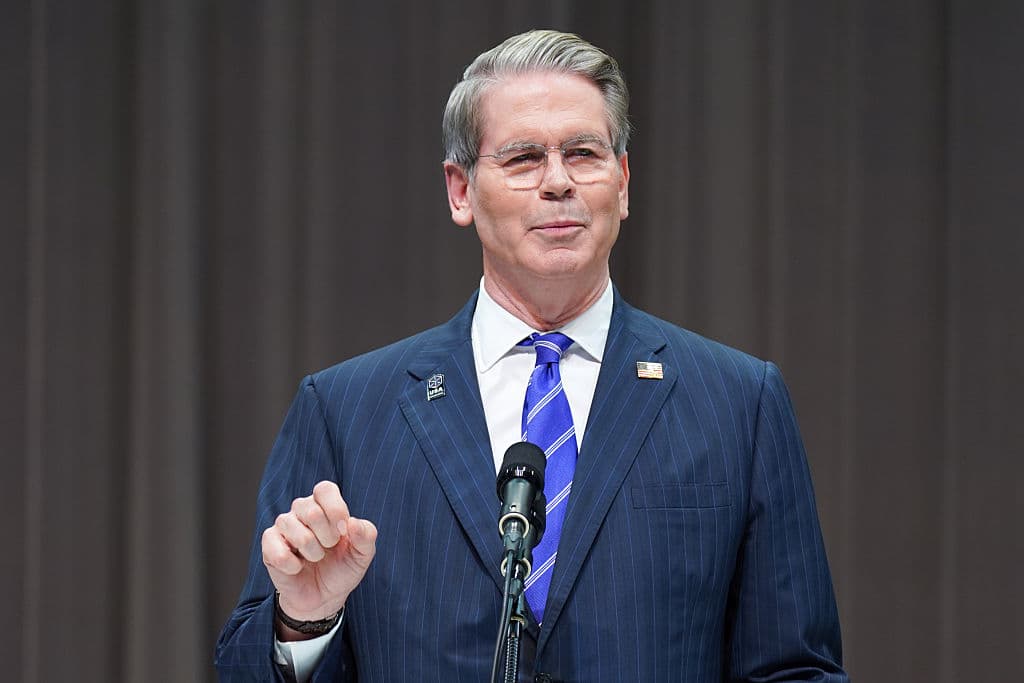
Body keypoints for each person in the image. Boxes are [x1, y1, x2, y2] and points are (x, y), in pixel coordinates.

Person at [215, 29, 848, 682]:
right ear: (460, 190)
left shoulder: (737, 403)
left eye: (583, 153)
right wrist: (307, 622)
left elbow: (794, 669)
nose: (558, 182)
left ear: (623, 183)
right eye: (523, 159)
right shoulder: (345, 411)